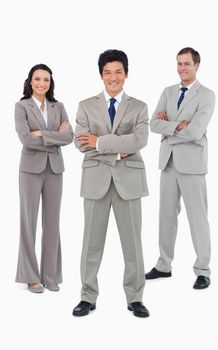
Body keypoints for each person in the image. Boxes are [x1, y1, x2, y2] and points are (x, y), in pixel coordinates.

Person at [73, 49, 149, 317]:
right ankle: (87, 296)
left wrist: (100, 142)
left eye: (118, 72)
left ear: (126, 74)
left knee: (133, 244)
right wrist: (120, 148)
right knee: (90, 243)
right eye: (108, 72)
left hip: (129, 182)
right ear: (101, 75)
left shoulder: (139, 107)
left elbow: (139, 141)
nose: (113, 77)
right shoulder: (85, 105)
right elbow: (80, 143)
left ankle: (135, 297)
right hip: (95, 180)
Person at [146, 47, 215, 289]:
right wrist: (178, 126)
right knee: (165, 216)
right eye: (179, 64)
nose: (181, 68)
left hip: (192, 164)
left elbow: (196, 131)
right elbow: (153, 123)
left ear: (197, 65)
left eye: (186, 64)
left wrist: (169, 127)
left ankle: (203, 270)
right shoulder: (168, 91)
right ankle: (164, 265)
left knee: (198, 218)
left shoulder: (206, 95)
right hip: (168, 162)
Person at [15, 64, 73, 293]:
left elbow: (69, 137)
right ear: (30, 81)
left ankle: (50, 275)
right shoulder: (21, 106)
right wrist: (54, 135)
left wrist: (42, 134)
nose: (42, 83)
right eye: (37, 79)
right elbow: (26, 140)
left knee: (52, 223)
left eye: (46, 80)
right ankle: (31, 276)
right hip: (30, 169)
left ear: (51, 83)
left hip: (55, 169)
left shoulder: (58, 106)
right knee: (28, 223)